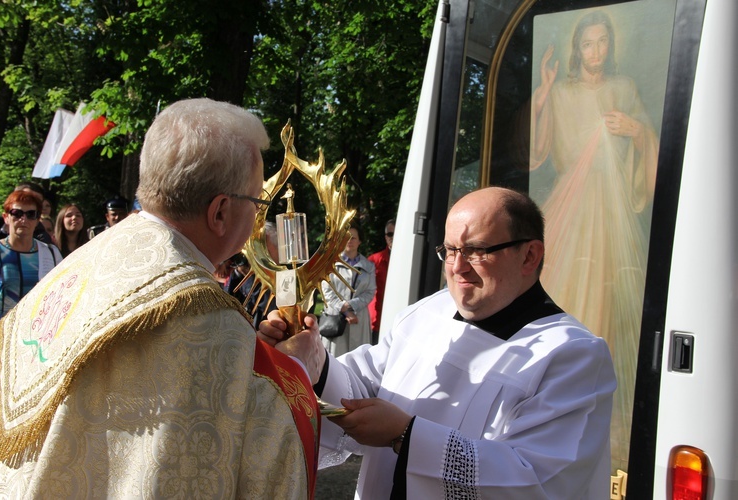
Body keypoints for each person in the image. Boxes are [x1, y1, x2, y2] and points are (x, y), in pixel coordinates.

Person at [0, 98, 323, 498]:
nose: (257, 216)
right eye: (257, 202)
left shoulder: (79, 265)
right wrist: (293, 369)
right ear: (219, 213)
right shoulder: (209, 320)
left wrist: (256, 359)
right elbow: (267, 447)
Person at [260, 186, 616, 498]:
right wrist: (314, 361)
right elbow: (365, 388)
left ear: (529, 255)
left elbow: (536, 482)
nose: (457, 267)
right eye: (449, 250)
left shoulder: (572, 354)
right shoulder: (428, 313)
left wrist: (407, 435)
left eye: (476, 250)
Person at [530, 9, 659, 469]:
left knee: (608, 307)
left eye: (603, 42)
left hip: (612, 209)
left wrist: (637, 132)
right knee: (564, 298)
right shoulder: (562, 92)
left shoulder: (623, 89)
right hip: (570, 206)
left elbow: (648, 143)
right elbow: (537, 153)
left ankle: (602, 423)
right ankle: (556, 412)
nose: (596, 52)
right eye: (588, 43)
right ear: (576, 49)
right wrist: (543, 92)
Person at [0, 190, 62, 325]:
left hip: (34, 339)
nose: (23, 219)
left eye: (31, 214)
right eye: (17, 213)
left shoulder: (51, 253)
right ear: (6, 217)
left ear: (38, 219)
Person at [320, 226, 376, 357]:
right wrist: (344, 309)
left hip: (358, 320)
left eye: (353, 238)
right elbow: (326, 291)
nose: (349, 241)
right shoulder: (329, 263)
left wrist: (351, 306)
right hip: (335, 320)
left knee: (358, 361)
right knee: (335, 360)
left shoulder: (369, 266)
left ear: (359, 241)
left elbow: (370, 291)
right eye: (345, 238)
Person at [233, 222, 279, 330]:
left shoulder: (287, 274)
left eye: (259, 248)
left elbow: (272, 306)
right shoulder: (248, 271)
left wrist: (248, 280)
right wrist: (238, 273)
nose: (255, 255)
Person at [367, 218, 394, 344]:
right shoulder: (374, 260)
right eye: (390, 234)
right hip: (377, 318)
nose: (393, 237)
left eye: (396, 233)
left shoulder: (410, 258)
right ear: (385, 237)